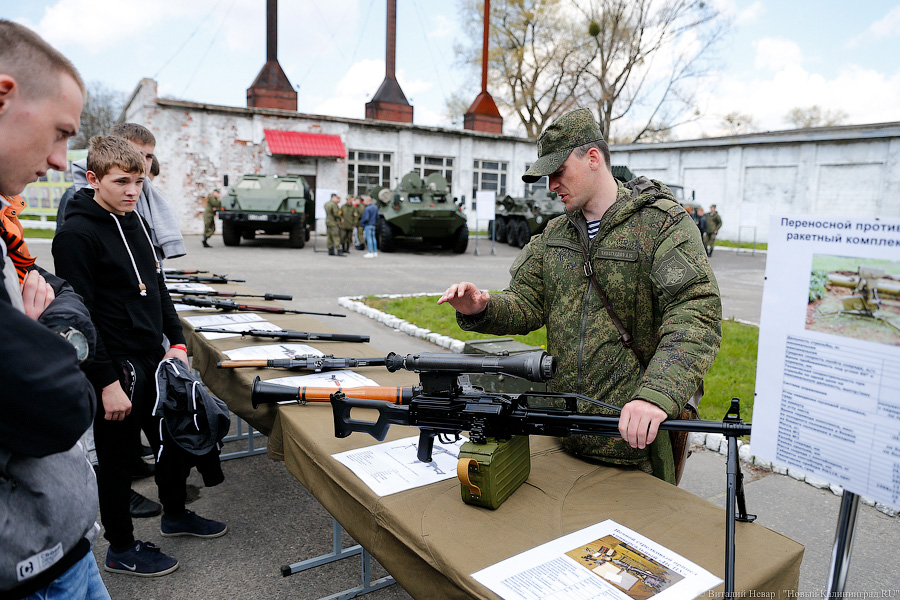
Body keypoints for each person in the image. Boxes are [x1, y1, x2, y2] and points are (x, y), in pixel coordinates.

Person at [438, 108, 721, 484]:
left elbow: (696, 314)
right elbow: (527, 302)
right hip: (563, 438)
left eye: (557, 172)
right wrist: (483, 307)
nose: (551, 185)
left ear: (593, 158)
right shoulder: (555, 234)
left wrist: (656, 394)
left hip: (635, 450)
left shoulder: (659, 225)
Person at [53, 135, 228, 579]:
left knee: (177, 439)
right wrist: (107, 383)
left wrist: (178, 341)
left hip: (155, 357)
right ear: (93, 179)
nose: (133, 190)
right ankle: (121, 547)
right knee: (116, 464)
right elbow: (80, 316)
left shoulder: (136, 221)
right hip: (115, 368)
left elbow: (158, 289)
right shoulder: (76, 234)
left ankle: (175, 513)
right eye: (122, 181)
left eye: (140, 181)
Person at [0, 18, 111, 599]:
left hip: (58, 538)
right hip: (27, 562)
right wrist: (36, 331)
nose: (61, 160)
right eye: (60, 132)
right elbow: (62, 405)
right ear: (3, 94)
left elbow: (60, 294)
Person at [70, 123, 186, 262]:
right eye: (136, 153)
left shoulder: (149, 197)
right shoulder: (76, 196)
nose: (142, 161)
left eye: (149, 156)